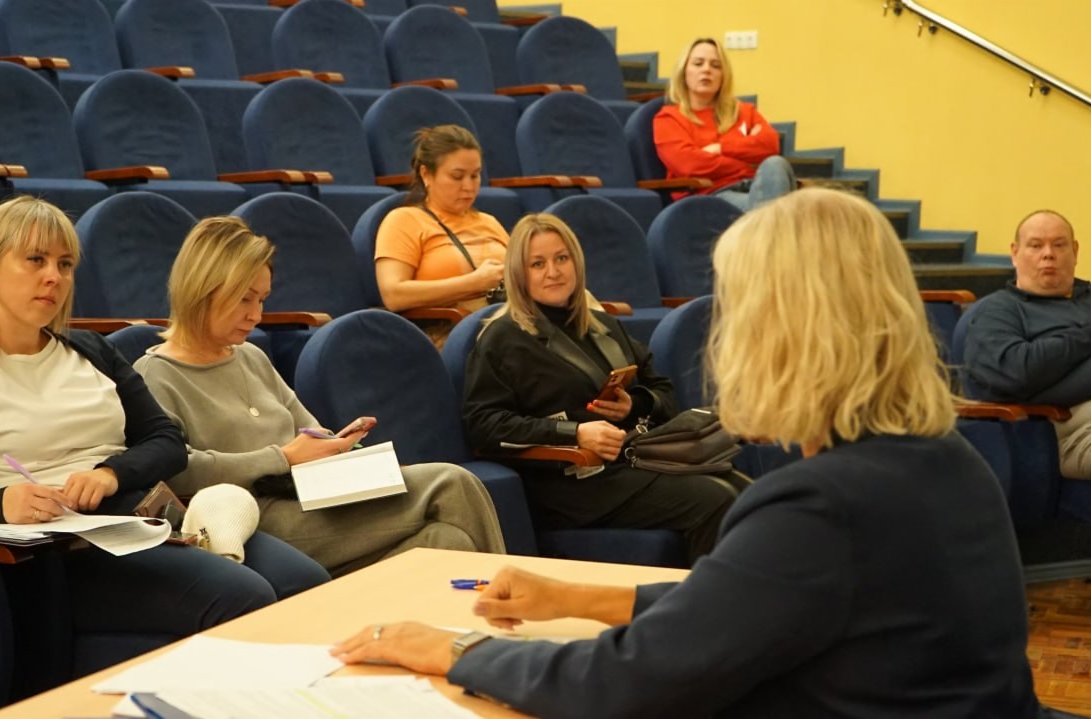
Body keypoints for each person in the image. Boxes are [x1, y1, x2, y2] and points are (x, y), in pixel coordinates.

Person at [331, 189, 1040, 718]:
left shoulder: (819, 507)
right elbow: (742, 600)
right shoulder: (948, 461)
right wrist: (574, 596)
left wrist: (453, 649)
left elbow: (622, 682)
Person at [0, 196, 324, 655]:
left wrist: (110, 473)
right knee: (245, 596)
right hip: (60, 554)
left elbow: (166, 441)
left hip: (140, 521)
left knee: (307, 582)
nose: (54, 276)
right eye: (35, 260)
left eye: (65, 264)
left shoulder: (92, 351)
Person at [133, 216, 507, 577]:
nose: (256, 316)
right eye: (245, 299)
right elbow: (177, 469)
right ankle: (511, 606)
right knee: (452, 483)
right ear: (202, 290)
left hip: (312, 495)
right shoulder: (157, 374)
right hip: (254, 517)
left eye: (262, 300)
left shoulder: (250, 356)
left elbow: (309, 432)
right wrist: (283, 457)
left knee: (448, 540)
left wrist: (338, 446)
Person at [460, 213, 739, 565]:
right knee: (716, 500)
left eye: (562, 258)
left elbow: (663, 392)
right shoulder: (502, 338)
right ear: (519, 273)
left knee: (745, 492)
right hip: (569, 482)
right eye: (538, 264)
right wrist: (575, 433)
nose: (553, 271)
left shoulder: (604, 325)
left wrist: (635, 405)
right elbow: (484, 425)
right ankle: (706, 600)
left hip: (633, 461)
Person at [964, 209, 1091, 637]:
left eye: (1058, 244)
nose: (1048, 255)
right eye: (1036, 246)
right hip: (1067, 429)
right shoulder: (999, 311)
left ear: (1075, 251)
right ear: (1015, 253)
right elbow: (1012, 372)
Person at [374, 124, 508, 346]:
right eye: (457, 176)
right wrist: (473, 283)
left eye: (475, 175)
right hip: (449, 337)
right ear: (426, 174)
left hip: (506, 328)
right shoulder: (404, 220)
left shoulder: (489, 222)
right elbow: (393, 295)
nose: (469, 186)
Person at [653, 37, 796, 210]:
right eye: (698, 63)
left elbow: (770, 144)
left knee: (775, 164)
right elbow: (690, 165)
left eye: (715, 65)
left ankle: (769, 221)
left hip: (756, 186)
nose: (707, 70)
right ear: (683, 72)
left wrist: (720, 149)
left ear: (723, 76)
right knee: (776, 209)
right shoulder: (668, 118)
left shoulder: (743, 111)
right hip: (713, 195)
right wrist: (748, 161)